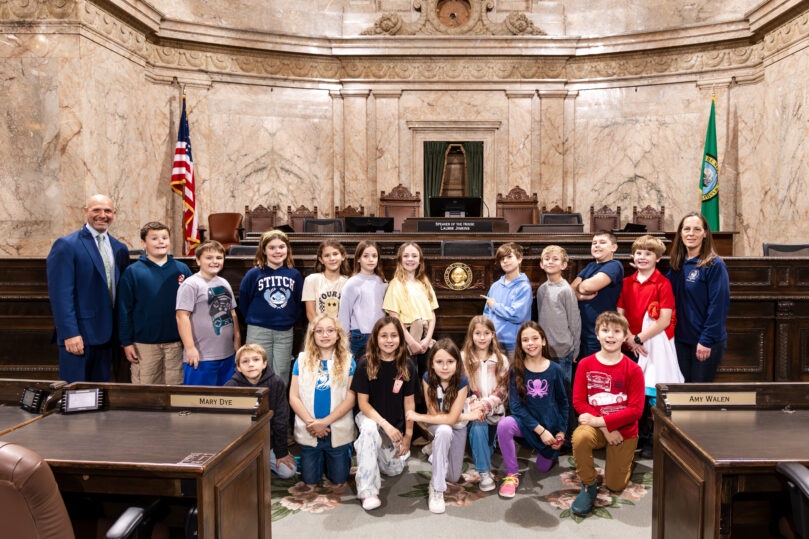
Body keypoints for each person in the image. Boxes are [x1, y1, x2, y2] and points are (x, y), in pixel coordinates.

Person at [46, 194, 130, 383]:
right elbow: (61, 295)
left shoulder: (119, 248)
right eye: (96, 210)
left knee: (100, 400)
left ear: (114, 214)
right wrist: (70, 333)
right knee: (76, 398)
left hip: (109, 338)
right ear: (85, 211)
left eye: (107, 211)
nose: (102, 215)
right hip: (79, 336)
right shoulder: (67, 245)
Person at [570, 311, 645, 517]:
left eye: (616, 331)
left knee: (615, 485)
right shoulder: (585, 364)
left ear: (624, 337)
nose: (610, 336)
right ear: (597, 334)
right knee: (580, 436)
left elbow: (636, 410)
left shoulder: (634, 369)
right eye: (605, 330)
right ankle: (588, 485)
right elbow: (579, 401)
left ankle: (626, 461)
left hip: (625, 431)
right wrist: (602, 425)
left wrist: (602, 421)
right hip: (596, 427)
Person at [617, 234, 682, 458]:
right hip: (630, 346)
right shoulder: (627, 282)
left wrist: (639, 339)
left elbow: (664, 320)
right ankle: (635, 436)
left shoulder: (663, 284)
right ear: (633, 257)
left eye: (648, 253)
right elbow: (621, 313)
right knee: (633, 395)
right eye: (639, 253)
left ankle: (653, 440)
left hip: (653, 347)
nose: (643, 257)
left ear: (657, 258)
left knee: (652, 394)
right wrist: (629, 338)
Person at [350, 316, 417, 511]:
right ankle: (368, 491)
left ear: (400, 338)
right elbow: (363, 404)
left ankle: (367, 456)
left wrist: (408, 436)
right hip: (370, 418)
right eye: (384, 336)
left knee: (393, 470)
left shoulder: (408, 365)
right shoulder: (365, 363)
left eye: (394, 335)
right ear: (376, 338)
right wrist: (384, 424)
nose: (389, 340)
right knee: (370, 430)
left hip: (393, 427)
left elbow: (409, 403)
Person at [496, 321, 568, 498]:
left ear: (543, 341)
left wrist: (561, 431)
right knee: (504, 425)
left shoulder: (555, 370)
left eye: (535, 338)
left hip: (549, 427)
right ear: (520, 345)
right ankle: (511, 474)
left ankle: (549, 453)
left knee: (542, 469)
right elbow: (515, 407)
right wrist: (540, 431)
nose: (530, 343)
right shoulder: (516, 369)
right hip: (527, 425)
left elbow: (563, 402)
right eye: (525, 340)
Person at [117, 222, 192, 385]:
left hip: (176, 344)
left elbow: (192, 308)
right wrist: (126, 342)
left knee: (176, 388)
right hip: (144, 345)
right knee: (146, 389)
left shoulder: (182, 269)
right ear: (143, 243)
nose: (161, 242)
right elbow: (124, 310)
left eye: (165, 238)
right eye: (154, 238)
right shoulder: (133, 272)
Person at [289, 314, 356, 488]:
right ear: (312, 335)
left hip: (336, 430)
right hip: (310, 429)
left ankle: (343, 453)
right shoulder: (301, 361)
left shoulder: (348, 361)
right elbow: (293, 397)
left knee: (339, 478)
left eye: (330, 330)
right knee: (310, 480)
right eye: (319, 331)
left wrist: (325, 422)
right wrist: (313, 423)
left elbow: (350, 398)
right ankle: (312, 457)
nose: (324, 335)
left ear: (338, 334)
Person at [406, 338, 469, 514]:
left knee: (455, 476)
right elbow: (435, 415)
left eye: (450, 362)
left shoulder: (462, 381)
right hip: (438, 426)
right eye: (439, 362)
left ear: (457, 363)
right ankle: (437, 487)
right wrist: (445, 418)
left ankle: (435, 452)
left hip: (458, 426)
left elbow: (452, 419)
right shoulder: (427, 378)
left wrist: (419, 416)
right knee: (443, 430)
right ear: (432, 364)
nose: (445, 367)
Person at [667, 212, 730, 383]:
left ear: (705, 233)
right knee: (682, 392)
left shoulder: (714, 265)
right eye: (686, 229)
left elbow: (719, 306)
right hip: (680, 340)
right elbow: (663, 292)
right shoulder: (676, 264)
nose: (691, 233)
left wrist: (706, 340)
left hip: (704, 342)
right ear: (680, 233)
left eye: (696, 229)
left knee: (698, 396)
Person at [239, 229, 303, 388]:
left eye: (281, 247)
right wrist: (256, 319)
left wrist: (289, 320)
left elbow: (298, 301)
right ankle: (258, 409)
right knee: (255, 370)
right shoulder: (253, 274)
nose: (277, 251)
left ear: (287, 249)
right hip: (258, 329)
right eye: (272, 248)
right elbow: (244, 301)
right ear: (264, 250)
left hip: (284, 331)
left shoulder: (294, 274)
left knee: (281, 371)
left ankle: (278, 409)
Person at [225, 344, 296, 480]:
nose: (251, 364)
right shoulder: (231, 387)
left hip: (269, 443)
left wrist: (281, 452)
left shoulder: (276, 382)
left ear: (264, 364)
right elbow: (227, 425)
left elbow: (281, 420)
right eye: (245, 361)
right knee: (239, 476)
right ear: (238, 367)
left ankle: (266, 461)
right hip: (242, 444)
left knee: (288, 471)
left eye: (256, 360)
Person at [176, 240, 240, 386]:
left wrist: (237, 339)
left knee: (226, 401)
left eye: (219, 257)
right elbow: (181, 317)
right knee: (199, 402)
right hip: (201, 356)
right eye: (209, 258)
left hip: (227, 354)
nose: (214, 261)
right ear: (198, 260)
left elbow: (232, 312)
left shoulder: (224, 282)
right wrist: (190, 348)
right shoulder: (190, 284)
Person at [460, 315, 509, 492]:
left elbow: (502, 391)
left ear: (493, 335)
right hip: (473, 412)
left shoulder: (501, 360)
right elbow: (462, 388)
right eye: (477, 333)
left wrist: (486, 405)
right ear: (471, 335)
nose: (482, 338)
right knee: (478, 426)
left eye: (486, 333)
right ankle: (484, 472)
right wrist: (475, 406)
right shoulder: (463, 358)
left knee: (486, 446)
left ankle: (484, 451)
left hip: (494, 412)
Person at [382, 242, 438, 382]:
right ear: (400, 260)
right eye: (406, 256)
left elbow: (431, 314)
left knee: (426, 377)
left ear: (420, 260)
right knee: (407, 376)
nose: (410, 259)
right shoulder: (395, 284)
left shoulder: (424, 283)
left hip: (425, 336)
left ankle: (425, 403)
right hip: (406, 335)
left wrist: (427, 339)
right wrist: (411, 342)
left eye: (414, 256)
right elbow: (394, 317)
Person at [570, 231, 624, 359]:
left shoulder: (614, 265)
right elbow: (571, 289)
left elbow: (588, 286)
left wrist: (582, 287)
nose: (597, 246)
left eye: (602, 242)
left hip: (600, 333)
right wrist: (581, 295)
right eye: (594, 243)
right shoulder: (590, 266)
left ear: (613, 247)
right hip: (583, 331)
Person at [536, 244, 581, 385]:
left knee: (563, 388)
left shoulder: (566, 290)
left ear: (563, 265)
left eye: (555, 259)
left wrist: (576, 349)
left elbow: (574, 321)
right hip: (545, 349)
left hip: (563, 349)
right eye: (547, 259)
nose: (550, 262)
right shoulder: (542, 289)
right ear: (541, 264)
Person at [337, 240, 388, 360]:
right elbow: (344, 312)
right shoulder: (352, 283)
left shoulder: (382, 282)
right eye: (366, 256)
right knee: (358, 372)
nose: (371, 259)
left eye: (374, 256)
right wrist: (343, 336)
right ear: (358, 259)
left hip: (380, 334)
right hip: (360, 336)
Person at [482, 242, 533, 360]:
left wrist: (495, 306)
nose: (505, 261)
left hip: (513, 345)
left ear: (519, 258)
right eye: (502, 259)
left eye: (509, 257)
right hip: (494, 343)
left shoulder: (524, 287)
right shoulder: (495, 286)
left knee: (514, 377)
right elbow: (486, 314)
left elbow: (517, 315)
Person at [302, 240, 350, 323]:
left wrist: (340, 330)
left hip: (341, 332)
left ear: (343, 256)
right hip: (318, 331)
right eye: (327, 255)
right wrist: (324, 331)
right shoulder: (311, 280)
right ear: (321, 260)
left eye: (335, 254)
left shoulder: (349, 282)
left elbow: (350, 313)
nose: (332, 258)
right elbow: (311, 313)